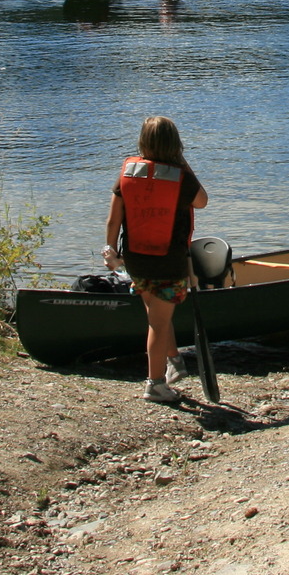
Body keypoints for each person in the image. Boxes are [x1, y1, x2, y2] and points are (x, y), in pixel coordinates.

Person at [103, 115, 210, 403]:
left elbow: (114, 220)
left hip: (136, 259)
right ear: (175, 143)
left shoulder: (129, 172)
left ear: (143, 141)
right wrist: (183, 163)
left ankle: (175, 361)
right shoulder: (180, 175)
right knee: (159, 323)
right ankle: (155, 384)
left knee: (157, 315)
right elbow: (202, 201)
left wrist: (111, 250)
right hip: (169, 261)